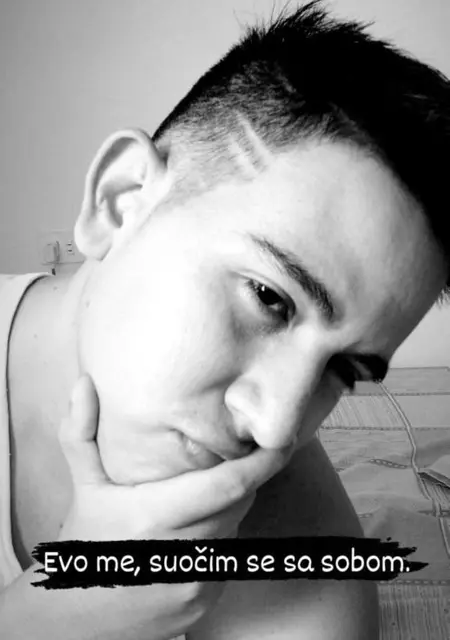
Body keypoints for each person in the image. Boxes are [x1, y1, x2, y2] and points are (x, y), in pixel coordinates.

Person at [1, 0, 449, 637]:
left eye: (343, 369)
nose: (277, 427)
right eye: (270, 298)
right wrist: (51, 619)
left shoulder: (305, 600)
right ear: (121, 200)